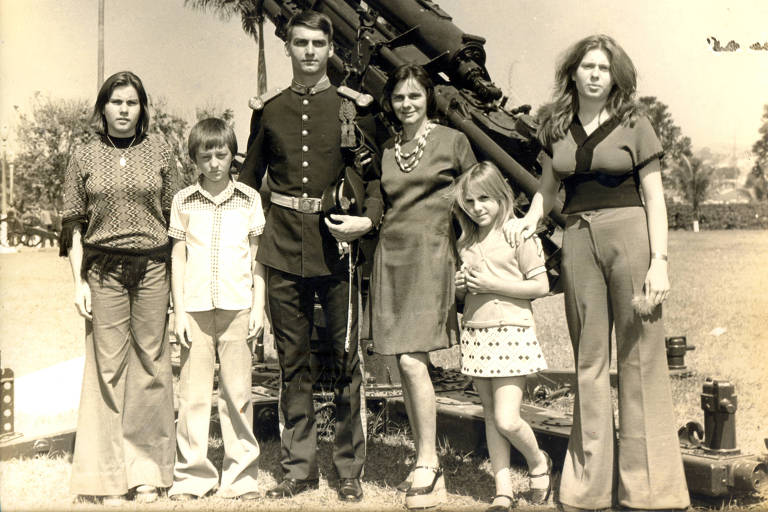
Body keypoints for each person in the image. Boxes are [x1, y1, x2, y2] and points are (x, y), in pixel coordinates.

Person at [506, 34, 690, 511]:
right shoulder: (556, 125)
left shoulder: (636, 122)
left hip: (630, 238)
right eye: (587, 66)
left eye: (603, 68)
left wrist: (660, 263)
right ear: (573, 73)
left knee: (639, 359)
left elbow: (655, 198)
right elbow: (547, 189)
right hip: (578, 242)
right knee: (589, 364)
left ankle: (649, 491)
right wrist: (528, 221)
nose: (594, 74)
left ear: (615, 76)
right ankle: (587, 490)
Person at [238, 10, 383, 503]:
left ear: (328, 49)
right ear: (289, 48)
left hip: (336, 249)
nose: (309, 52)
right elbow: (249, 183)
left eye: (318, 44)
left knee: (345, 362)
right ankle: (299, 468)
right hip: (281, 249)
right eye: (300, 43)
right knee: (292, 363)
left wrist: (367, 219)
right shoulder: (270, 110)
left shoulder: (352, 108)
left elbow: (375, 179)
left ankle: (348, 470)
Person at [60, 70, 177, 505]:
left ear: (142, 108)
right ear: (103, 108)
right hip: (103, 270)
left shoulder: (161, 150)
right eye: (116, 102)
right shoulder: (83, 154)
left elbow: (173, 216)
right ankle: (106, 478)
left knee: (152, 364)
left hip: (152, 269)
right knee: (106, 369)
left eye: (132, 103)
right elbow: (73, 222)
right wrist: (78, 284)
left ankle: (146, 472)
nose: (124, 110)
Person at [370, 63, 476, 509]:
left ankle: (428, 463)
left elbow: (480, 197)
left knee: (414, 360)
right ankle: (425, 459)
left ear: (427, 98)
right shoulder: (388, 149)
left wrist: (470, 255)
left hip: (433, 258)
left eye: (414, 96)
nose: (407, 104)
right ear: (390, 104)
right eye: (399, 97)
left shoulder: (453, 142)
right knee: (403, 359)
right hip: (391, 258)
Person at [166, 118, 266, 501]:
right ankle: (193, 476)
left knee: (237, 393)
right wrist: (179, 312)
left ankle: (240, 477)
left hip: (238, 307)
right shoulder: (183, 201)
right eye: (204, 154)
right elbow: (177, 256)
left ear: (231, 156)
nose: (213, 162)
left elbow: (257, 259)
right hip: (195, 310)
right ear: (194, 158)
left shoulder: (249, 199)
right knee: (192, 395)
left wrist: (258, 307)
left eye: (220, 153)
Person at [453, 161, 552, 511]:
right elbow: (468, 297)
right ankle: (503, 487)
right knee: (491, 415)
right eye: (469, 202)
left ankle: (539, 461)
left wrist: (493, 284)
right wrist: (460, 288)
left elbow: (541, 285)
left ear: (500, 197)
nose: (477, 208)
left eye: (484, 199)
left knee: (507, 419)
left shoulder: (518, 233)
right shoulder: (466, 241)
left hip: (511, 333)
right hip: (477, 335)